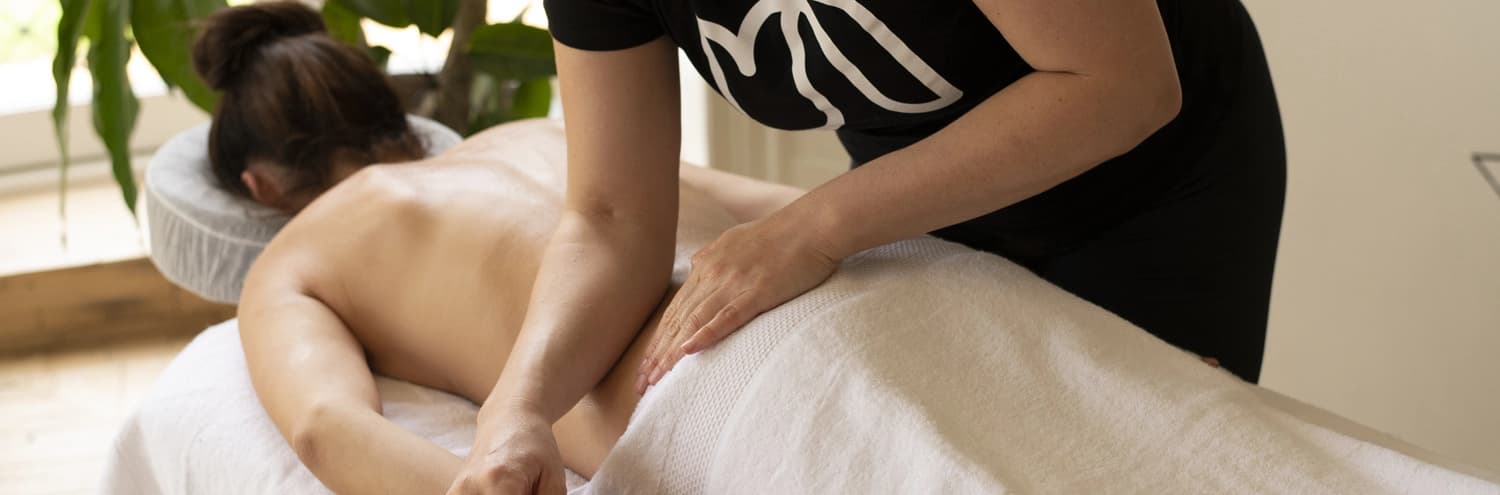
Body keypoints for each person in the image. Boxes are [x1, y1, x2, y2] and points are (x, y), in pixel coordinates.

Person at [465, 0, 1286, 491]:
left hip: (1149, 182)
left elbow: (1122, 85)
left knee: (1142, 466)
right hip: (931, 179)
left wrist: (810, 228)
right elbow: (611, 213)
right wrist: (517, 409)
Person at [191, 3, 804, 493]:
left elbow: (326, 430)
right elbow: (783, 205)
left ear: (259, 186)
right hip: (833, 310)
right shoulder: (552, 135)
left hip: (719, 405)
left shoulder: (294, 257)